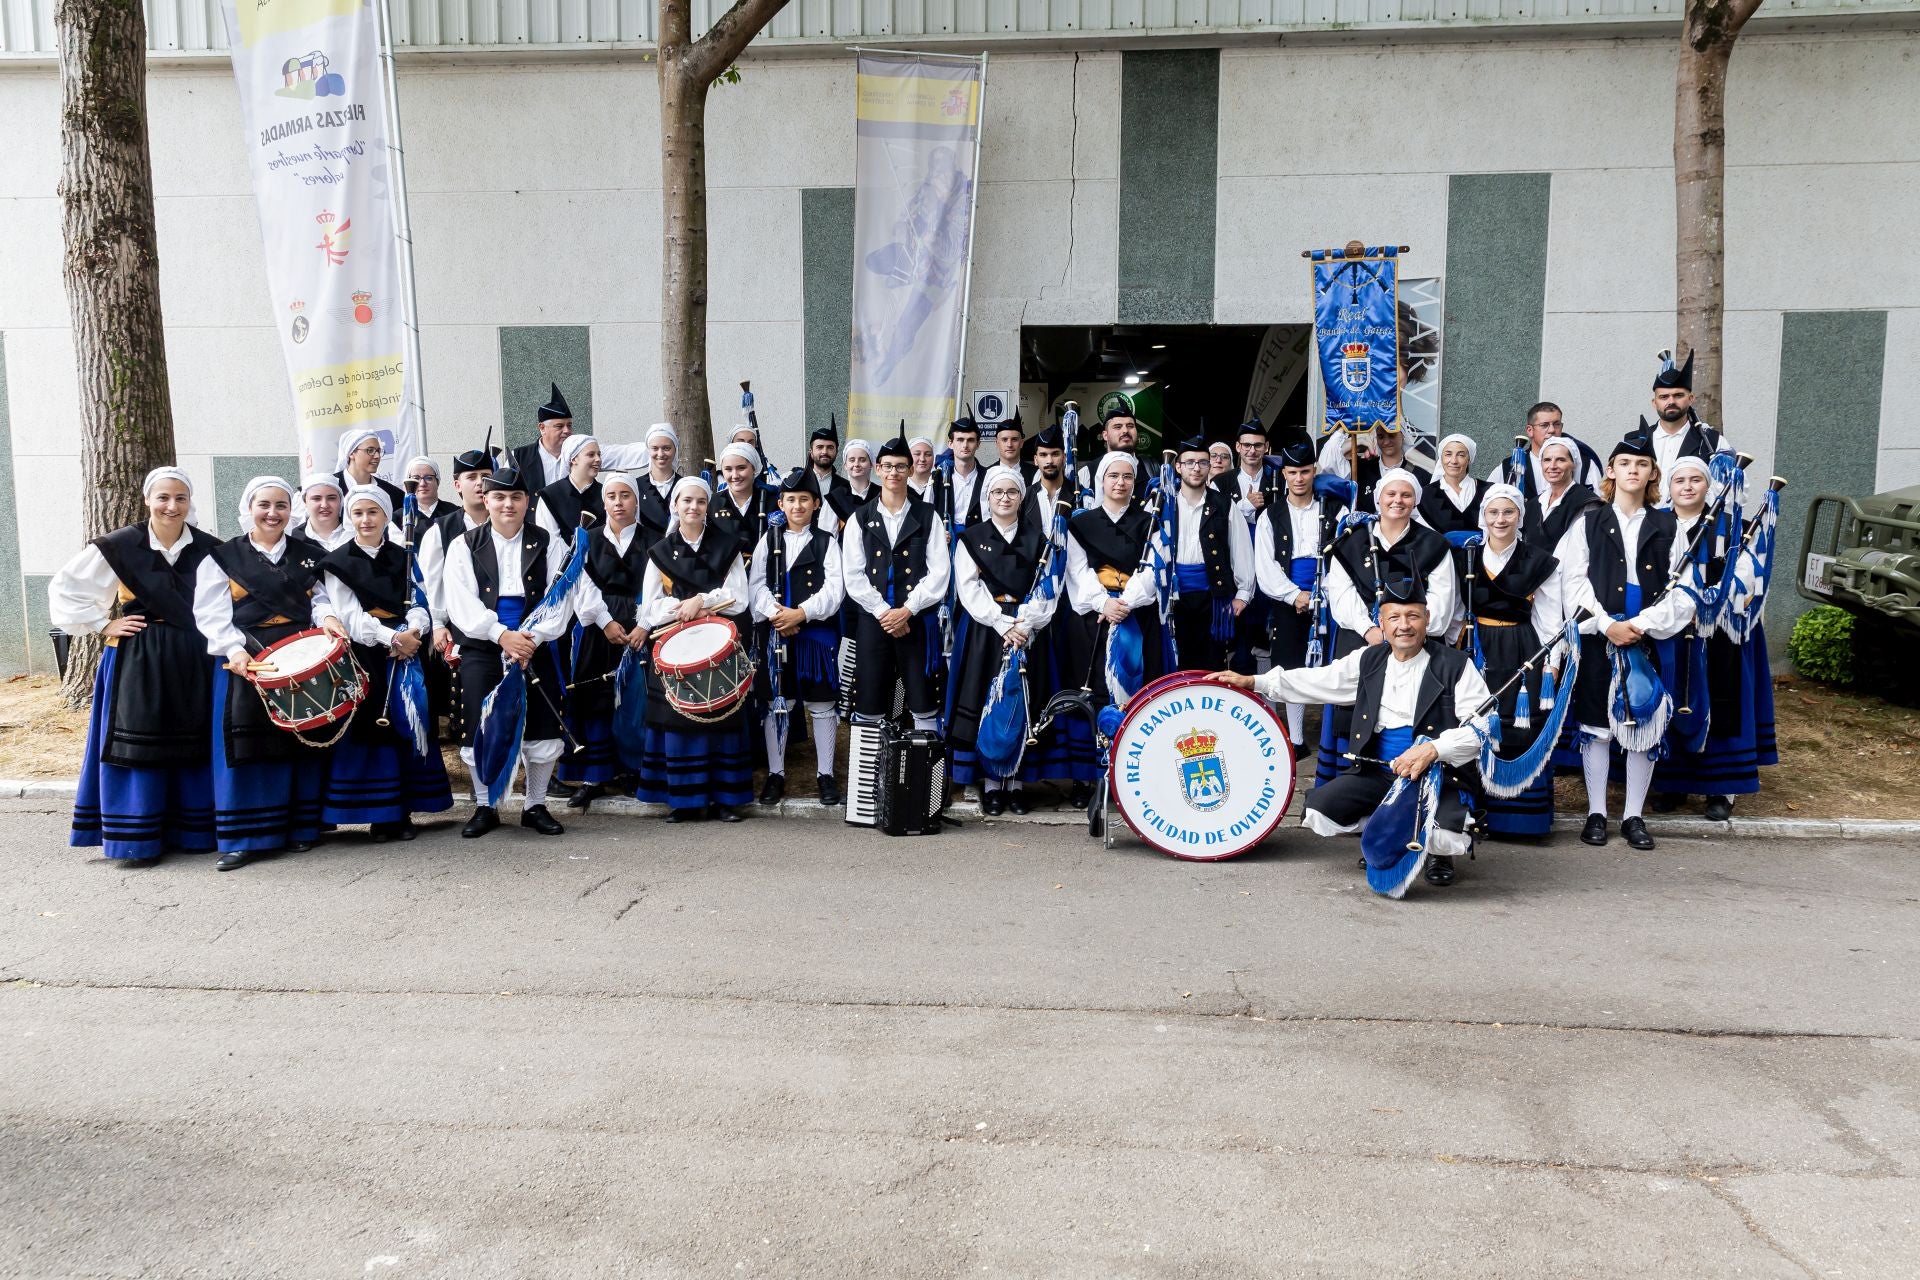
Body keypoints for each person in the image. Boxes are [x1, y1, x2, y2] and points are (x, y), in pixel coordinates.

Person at [1216, 574, 1493, 891]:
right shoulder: (1369, 659)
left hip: (1435, 777)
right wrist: (1256, 682)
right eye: (1395, 617)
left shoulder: (1456, 665)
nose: (1404, 625)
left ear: (1427, 619)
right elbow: (1318, 680)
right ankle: (1384, 832)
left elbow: (1482, 727)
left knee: (1447, 834)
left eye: (1413, 615)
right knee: (1319, 810)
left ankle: (1436, 854)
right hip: (1379, 773)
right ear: (1382, 622)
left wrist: (1434, 750)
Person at [54, 466, 221, 865]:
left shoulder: (210, 547)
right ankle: (138, 836)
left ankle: (192, 831)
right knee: (138, 737)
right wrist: (103, 622)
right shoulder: (121, 545)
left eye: (180, 498)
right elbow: (66, 587)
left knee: (192, 734)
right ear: (147, 500)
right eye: (163, 497)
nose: (171, 505)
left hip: (193, 655)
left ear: (189, 502)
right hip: (138, 654)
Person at [1552, 432, 1697, 851]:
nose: (1634, 471)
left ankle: (1633, 815)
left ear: (1653, 473)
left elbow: (1684, 589)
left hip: (1646, 637)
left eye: (1642, 465)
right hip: (1600, 635)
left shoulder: (1669, 524)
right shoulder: (1589, 522)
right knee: (1596, 727)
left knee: (1644, 724)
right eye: (1625, 464)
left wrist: (1643, 623)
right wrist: (1602, 622)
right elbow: (1572, 581)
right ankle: (1597, 812)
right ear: (1611, 470)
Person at [192, 477, 343, 870]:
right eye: (264, 505)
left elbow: (320, 598)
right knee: (246, 744)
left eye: (280, 505)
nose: (273, 513)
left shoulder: (307, 554)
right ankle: (243, 837)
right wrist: (234, 651)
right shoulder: (222, 557)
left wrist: (328, 619)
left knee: (295, 738)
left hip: (297, 652)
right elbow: (210, 613)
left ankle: (298, 828)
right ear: (249, 508)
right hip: (248, 657)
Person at [441, 465, 575, 839]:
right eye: (499, 497)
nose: (507, 504)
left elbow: (561, 597)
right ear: (485, 499)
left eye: (516, 497)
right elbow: (460, 603)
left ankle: (535, 805)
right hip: (483, 647)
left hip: (537, 644)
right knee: (481, 727)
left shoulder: (549, 541)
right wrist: (501, 635)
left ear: (527, 501)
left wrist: (530, 638)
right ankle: (487, 807)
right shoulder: (463, 545)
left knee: (542, 728)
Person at [317, 486, 454, 840]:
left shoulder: (403, 555)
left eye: (373, 512)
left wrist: (413, 631)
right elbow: (350, 615)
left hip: (406, 647)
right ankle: (378, 812)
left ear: (384, 516)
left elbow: (420, 600)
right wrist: (391, 638)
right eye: (358, 513)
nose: (365, 520)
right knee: (372, 729)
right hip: (368, 652)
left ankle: (401, 812)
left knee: (406, 724)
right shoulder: (338, 561)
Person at [1648, 456, 1777, 820]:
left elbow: (1749, 575)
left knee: (1722, 706)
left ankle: (1722, 789)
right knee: (1673, 702)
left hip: (1719, 631)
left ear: (1708, 486)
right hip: (1673, 628)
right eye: (1680, 481)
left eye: (1695, 480)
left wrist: (1712, 599)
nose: (1687, 487)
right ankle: (1673, 784)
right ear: (1669, 487)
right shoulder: (1656, 524)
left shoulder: (1734, 526)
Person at [1318, 468, 1457, 785]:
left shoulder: (1433, 545)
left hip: (1415, 647)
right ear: (1378, 498)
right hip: (1363, 641)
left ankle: (1407, 790)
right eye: (1391, 494)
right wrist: (1371, 631)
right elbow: (1340, 594)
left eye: (1406, 495)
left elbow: (1442, 602)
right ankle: (1352, 795)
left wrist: (1404, 635)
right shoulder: (1351, 542)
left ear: (1415, 501)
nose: (1398, 500)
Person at [634, 476, 754, 821]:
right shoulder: (659, 551)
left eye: (700, 502)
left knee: (723, 719)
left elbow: (740, 597)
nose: (693, 507)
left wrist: (703, 601)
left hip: (720, 644)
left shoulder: (728, 545)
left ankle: (727, 800)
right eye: (686, 501)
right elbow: (649, 607)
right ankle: (685, 801)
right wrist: (681, 607)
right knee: (680, 722)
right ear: (675, 506)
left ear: (708, 507)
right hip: (677, 646)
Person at [946, 469, 1061, 815]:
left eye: (1012, 492)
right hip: (987, 629)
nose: (1005, 498)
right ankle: (993, 785)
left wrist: (1025, 623)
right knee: (988, 699)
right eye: (997, 492)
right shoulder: (971, 538)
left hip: (1027, 629)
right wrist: (1001, 622)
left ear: (1021, 497)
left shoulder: (1039, 539)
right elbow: (968, 587)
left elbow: (1048, 586)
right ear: (988, 497)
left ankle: (1018, 783)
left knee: (1020, 701)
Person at [1456, 483, 1565, 838]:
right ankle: (1471, 810)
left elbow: (1549, 616)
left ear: (1520, 516)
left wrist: (1551, 663)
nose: (1500, 520)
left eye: (1508, 512)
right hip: (1477, 649)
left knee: (1520, 728)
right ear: (1483, 516)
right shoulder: (1467, 557)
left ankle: (1519, 820)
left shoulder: (1538, 560)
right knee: (1475, 725)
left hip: (1522, 647)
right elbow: (1457, 611)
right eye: (1493, 512)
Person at [842, 436, 952, 735]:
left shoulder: (928, 517)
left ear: (910, 468)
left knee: (923, 698)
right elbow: (853, 575)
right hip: (873, 621)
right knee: (869, 700)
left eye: (900, 466)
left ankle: (924, 775)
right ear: (878, 469)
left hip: (917, 621)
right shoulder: (859, 519)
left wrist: (907, 610)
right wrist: (884, 613)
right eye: (888, 466)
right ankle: (872, 779)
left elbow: (939, 573)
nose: (894, 472)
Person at [748, 470, 846, 807]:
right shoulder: (769, 540)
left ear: (816, 504)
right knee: (780, 704)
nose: (798, 505)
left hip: (815, 637)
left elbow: (834, 590)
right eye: (791, 499)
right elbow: (755, 584)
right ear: (781, 503)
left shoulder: (826, 542)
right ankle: (776, 774)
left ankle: (825, 775)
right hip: (777, 635)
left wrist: (800, 613)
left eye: (805, 499)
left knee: (821, 705)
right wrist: (778, 615)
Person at [563, 471, 651, 810]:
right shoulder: (588, 539)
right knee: (595, 700)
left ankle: (633, 769)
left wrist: (643, 624)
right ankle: (594, 776)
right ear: (604, 502)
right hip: (599, 627)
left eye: (625, 495)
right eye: (611, 496)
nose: (618, 502)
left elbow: (656, 587)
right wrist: (605, 621)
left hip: (639, 628)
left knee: (634, 699)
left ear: (636, 500)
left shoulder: (653, 539)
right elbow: (581, 585)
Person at [1251, 439, 1346, 751]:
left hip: (1332, 596)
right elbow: (1265, 566)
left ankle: (1337, 736)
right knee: (1291, 667)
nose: (1299, 479)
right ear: (1284, 475)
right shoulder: (1270, 515)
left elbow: (1347, 557)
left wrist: (1325, 593)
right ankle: (1296, 738)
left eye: (1305, 471)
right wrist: (1294, 595)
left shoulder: (1337, 510)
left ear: (1314, 471)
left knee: (1337, 665)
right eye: (1292, 472)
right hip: (1287, 598)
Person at [1064, 452, 1165, 735]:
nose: (1120, 483)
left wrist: (1125, 603)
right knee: (1094, 687)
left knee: (1140, 688)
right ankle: (1093, 769)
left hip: (1136, 614)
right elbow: (1077, 570)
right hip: (1095, 619)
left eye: (1127, 476)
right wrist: (1104, 603)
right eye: (1113, 476)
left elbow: (1153, 568)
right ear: (1101, 480)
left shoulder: (1150, 522)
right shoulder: (1081, 524)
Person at [1166, 437, 1253, 673]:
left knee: (1211, 665)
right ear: (1178, 466)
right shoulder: (1162, 503)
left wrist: (1243, 594)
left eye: (1203, 462)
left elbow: (1241, 550)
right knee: (1174, 665)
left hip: (1213, 598)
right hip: (1172, 600)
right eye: (1190, 462)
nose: (1196, 468)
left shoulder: (1225, 505)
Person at [1489, 402, 1604, 498]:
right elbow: (1488, 502)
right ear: (1530, 430)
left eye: (1556, 424)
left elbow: (1598, 506)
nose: (1552, 430)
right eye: (1544, 425)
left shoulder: (1584, 465)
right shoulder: (1509, 466)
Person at [1646, 349, 1733, 476]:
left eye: (1678, 395)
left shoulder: (1713, 442)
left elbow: (1733, 491)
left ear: (1691, 399)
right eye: (1664, 397)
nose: (1671, 401)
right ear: (1654, 403)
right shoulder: (1638, 440)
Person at [1317, 423, 1435, 515]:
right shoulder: (1360, 469)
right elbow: (1327, 465)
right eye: (1381, 436)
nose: (1386, 441)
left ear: (1403, 435)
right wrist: (1344, 427)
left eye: (1392, 435)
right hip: (1365, 540)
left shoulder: (1420, 476)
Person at [1523, 436, 1600, 549]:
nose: (1552, 466)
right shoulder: (1533, 505)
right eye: (1547, 460)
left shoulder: (1586, 503)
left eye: (1561, 460)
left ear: (1573, 464)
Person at [533, 434, 605, 545]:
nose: (598, 459)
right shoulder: (550, 496)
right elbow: (550, 543)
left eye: (599, 454)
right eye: (591, 455)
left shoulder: (607, 494)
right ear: (573, 459)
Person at [1076, 405, 1150, 498]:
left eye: (1130, 426)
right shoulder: (1087, 473)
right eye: (1118, 427)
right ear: (1105, 435)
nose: (1125, 430)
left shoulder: (1152, 470)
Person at [512, 383, 576, 489]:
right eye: (559, 426)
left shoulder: (580, 454)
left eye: (569, 425)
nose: (567, 430)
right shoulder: (519, 457)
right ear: (542, 428)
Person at [1420, 433, 1484, 537]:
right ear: (1441, 458)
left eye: (1461, 455)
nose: (1454, 461)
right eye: (1448, 454)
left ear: (1469, 459)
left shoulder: (1487, 490)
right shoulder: (1426, 494)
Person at [708, 441, 767, 555]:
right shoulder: (711, 503)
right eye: (728, 469)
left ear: (754, 468)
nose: (735, 475)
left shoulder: (771, 501)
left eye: (741, 468)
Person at [1024, 423, 1086, 528]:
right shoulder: (1025, 497)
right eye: (1043, 455)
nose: (1049, 461)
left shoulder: (1080, 495)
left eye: (1055, 454)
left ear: (1064, 458)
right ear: (1035, 460)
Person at [334, 429, 405, 512]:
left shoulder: (392, 494)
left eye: (378, 451)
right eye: (370, 450)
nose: (377, 456)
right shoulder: (331, 487)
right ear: (351, 453)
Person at [635, 423, 681, 549]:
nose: (660, 454)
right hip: (645, 554)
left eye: (666, 448)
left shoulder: (685, 486)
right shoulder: (635, 487)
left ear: (675, 449)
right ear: (648, 450)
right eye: (655, 448)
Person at [824, 438, 877, 533]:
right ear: (845, 465)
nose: (856, 464)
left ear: (871, 464)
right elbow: (827, 538)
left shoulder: (882, 495)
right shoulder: (835, 498)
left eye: (862, 460)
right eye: (852, 460)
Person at [943, 416, 987, 530]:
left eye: (971, 440)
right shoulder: (937, 478)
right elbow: (928, 518)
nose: (965, 445)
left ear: (978, 444)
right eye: (960, 439)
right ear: (950, 443)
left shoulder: (989, 477)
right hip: (946, 544)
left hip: (979, 543)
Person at [292, 474, 352, 550]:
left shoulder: (356, 534)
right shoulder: (294, 540)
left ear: (341, 501)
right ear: (305, 502)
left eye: (331, 498)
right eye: (316, 498)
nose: (324, 505)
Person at [400, 456, 449, 547]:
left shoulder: (454, 513)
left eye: (429, 478)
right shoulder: (398, 518)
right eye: (416, 478)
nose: (422, 484)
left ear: (437, 482)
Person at [808, 420, 840, 489]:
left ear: (836, 452)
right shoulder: (798, 482)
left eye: (830, 447)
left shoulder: (845, 487)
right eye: (819, 447)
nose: (825, 452)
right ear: (811, 452)